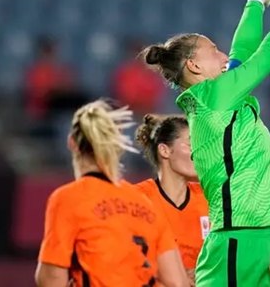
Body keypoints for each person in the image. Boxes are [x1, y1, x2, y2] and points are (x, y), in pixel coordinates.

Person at [142, 0, 270, 286]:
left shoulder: (219, 96)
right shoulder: (214, 98)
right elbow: (264, 58)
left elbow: (243, 53)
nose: (224, 57)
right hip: (243, 239)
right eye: (214, 51)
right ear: (194, 66)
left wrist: (256, 2)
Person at [35, 99, 187, 287]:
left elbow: (51, 278)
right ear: (118, 147)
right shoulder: (145, 203)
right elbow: (176, 283)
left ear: (72, 143)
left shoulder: (69, 198)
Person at [135, 114, 211, 285]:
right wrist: (172, 276)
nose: (199, 153)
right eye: (192, 145)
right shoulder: (137, 199)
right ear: (165, 150)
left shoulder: (210, 199)